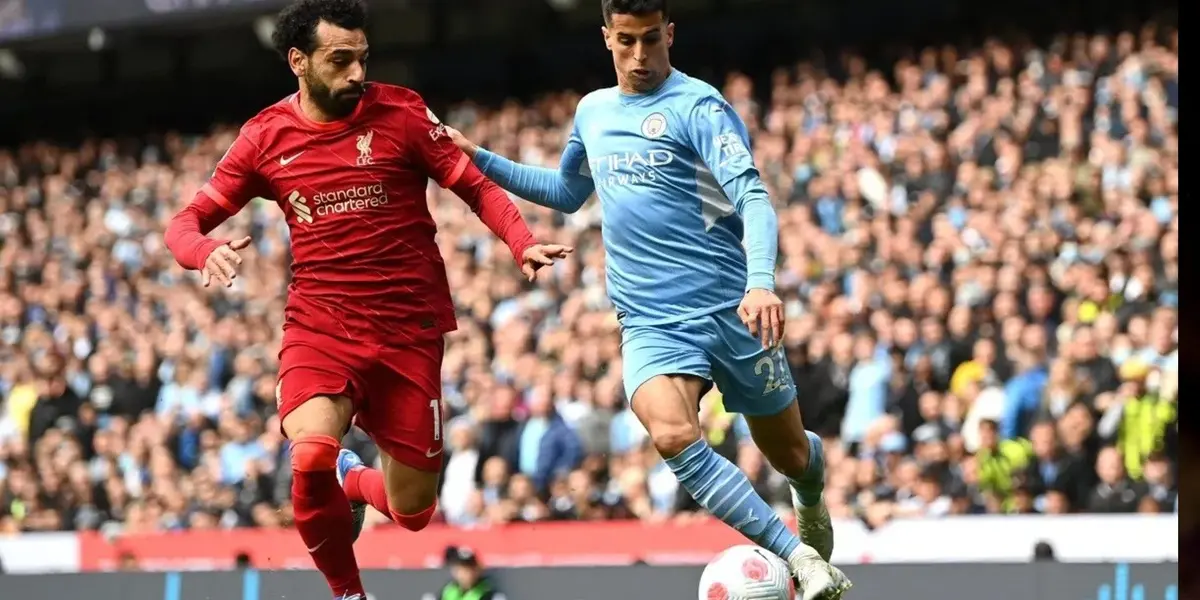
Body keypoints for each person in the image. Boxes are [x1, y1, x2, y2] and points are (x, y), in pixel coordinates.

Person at [162, 1, 570, 598]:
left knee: (413, 512)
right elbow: (183, 223)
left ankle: (353, 482)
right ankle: (350, 592)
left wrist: (521, 241)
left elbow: (475, 185)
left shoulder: (402, 113)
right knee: (310, 455)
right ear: (298, 61)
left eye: (362, 58)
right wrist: (204, 251)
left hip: (409, 334)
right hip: (321, 328)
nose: (356, 73)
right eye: (339, 60)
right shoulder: (265, 137)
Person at [443, 1, 849, 597]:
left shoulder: (700, 107)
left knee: (788, 454)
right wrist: (478, 157)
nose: (639, 56)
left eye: (652, 39)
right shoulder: (593, 111)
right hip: (651, 321)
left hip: (730, 308)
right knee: (672, 435)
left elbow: (753, 198)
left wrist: (761, 281)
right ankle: (798, 556)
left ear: (670, 35)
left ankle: (808, 488)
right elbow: (567, 192)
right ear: (607, 37)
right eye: (627, 40)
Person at [423, 546, 508, 600]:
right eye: (462, 569)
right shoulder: (449, 590)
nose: (465, 573)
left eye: (469, 568)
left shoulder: (487, 593)